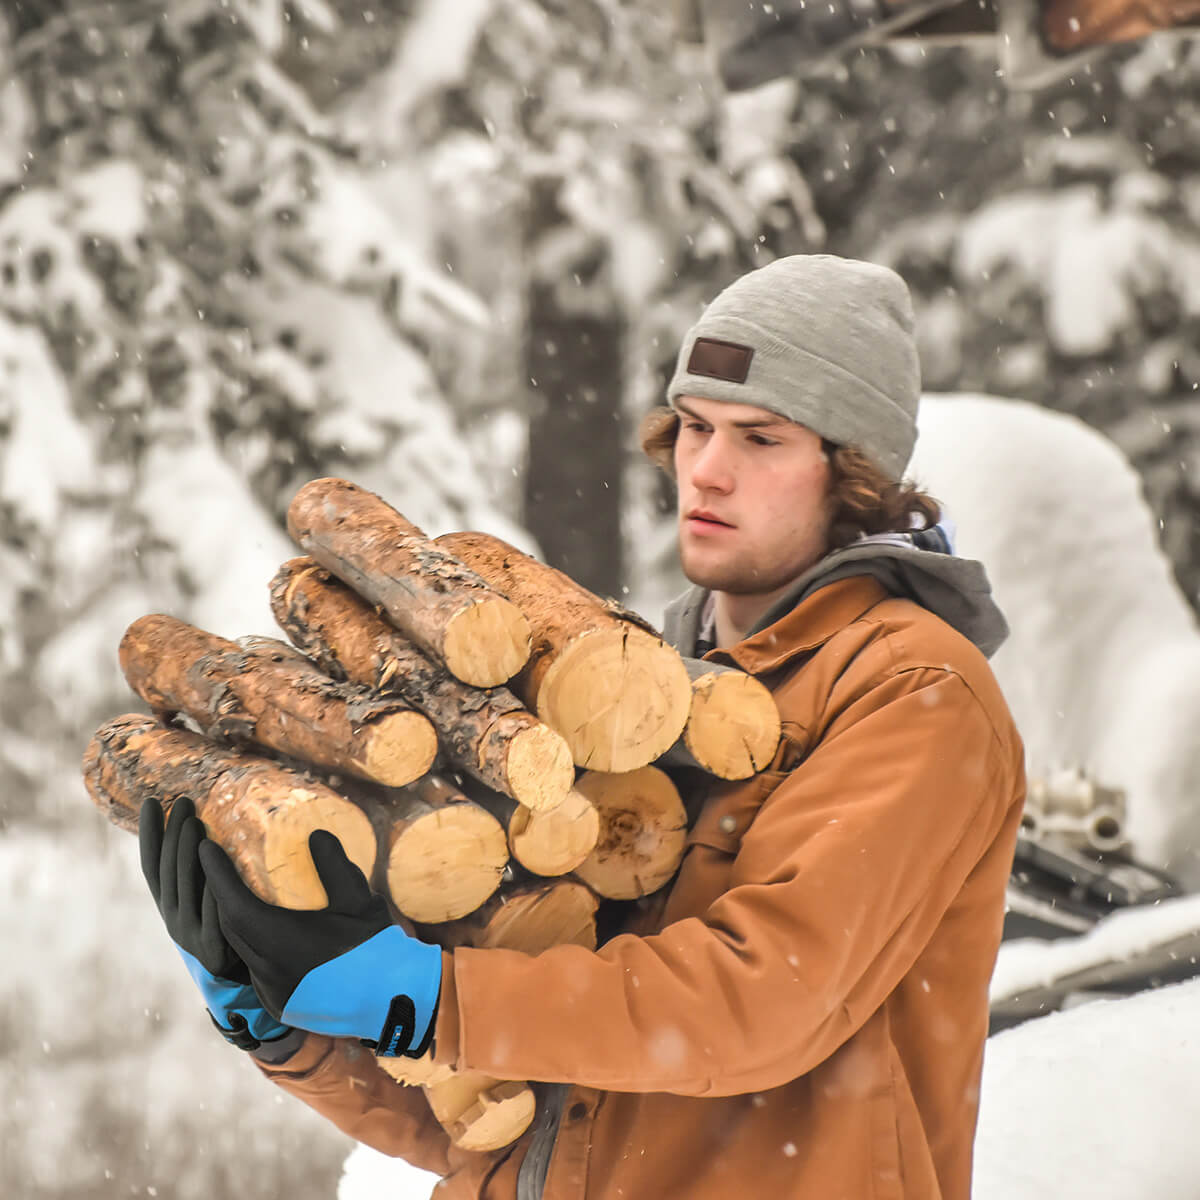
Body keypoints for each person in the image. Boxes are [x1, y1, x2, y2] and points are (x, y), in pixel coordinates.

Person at [139, 253, 1025, 1199]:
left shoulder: (913, 692)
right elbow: (495, 1112)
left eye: (760, 438)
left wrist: (427, 999)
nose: (708, 470)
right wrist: (286, 1016)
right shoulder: (625, 690)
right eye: (693, 427)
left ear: (856, 473)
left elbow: (766, 999)